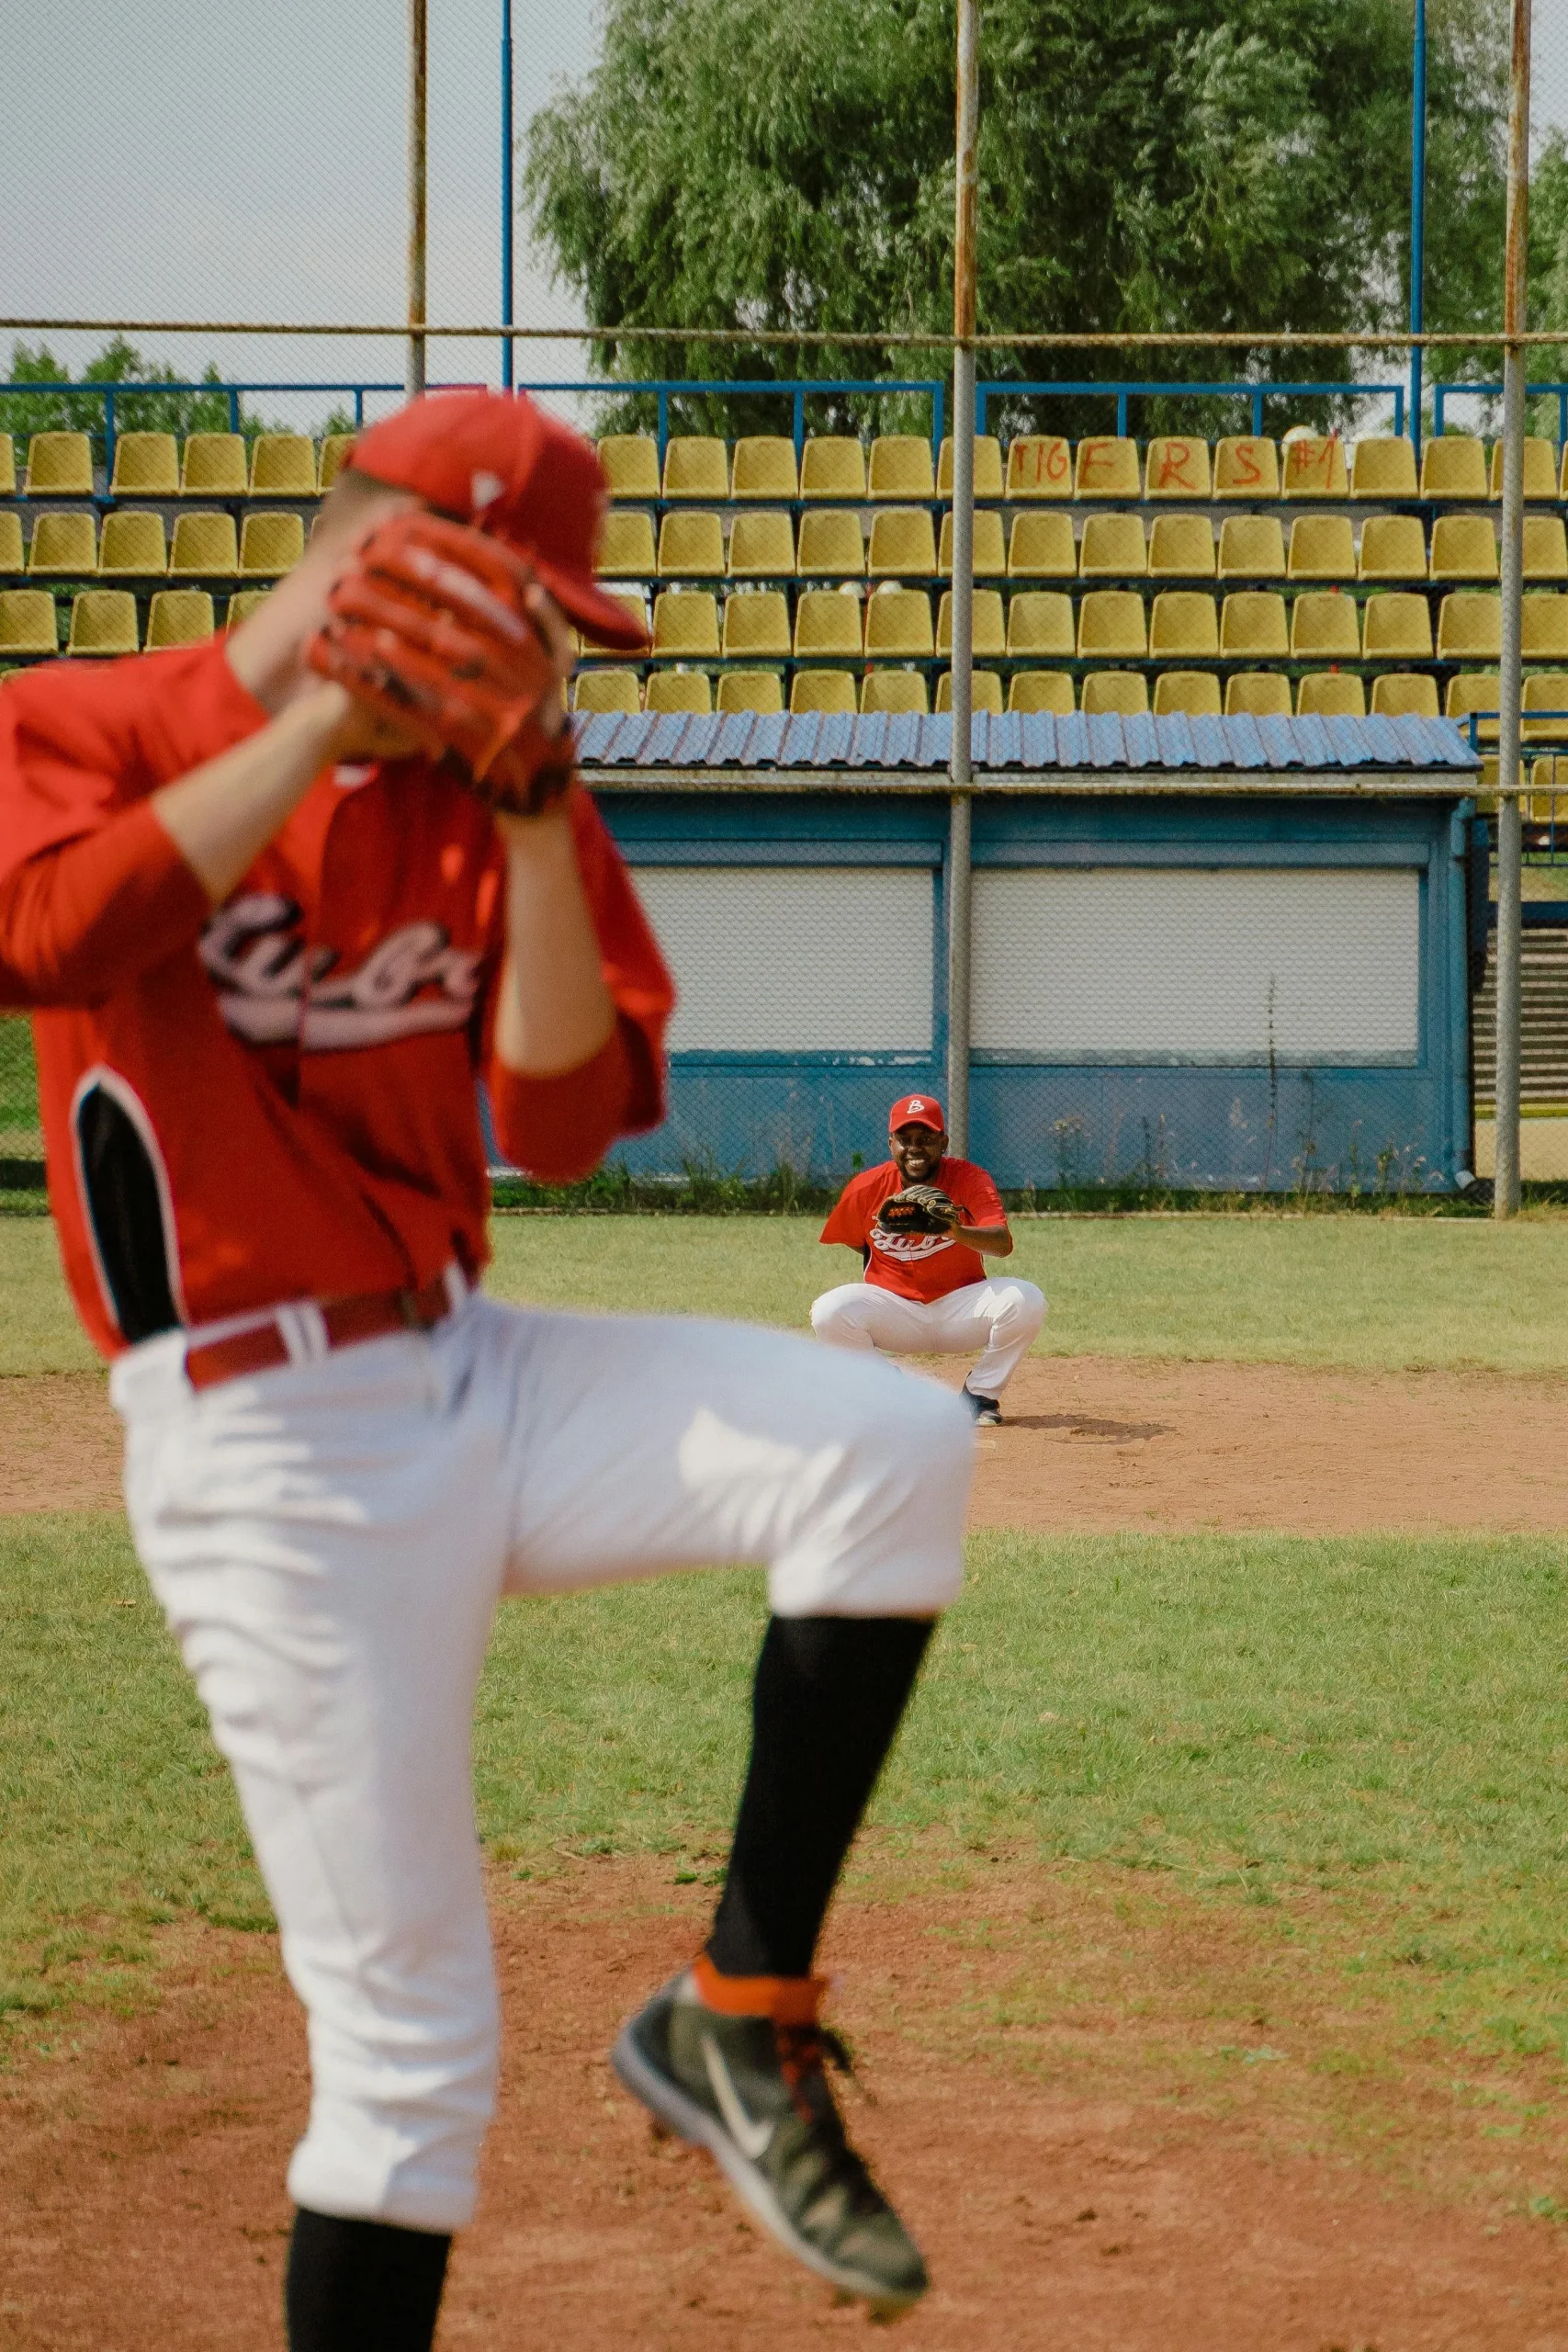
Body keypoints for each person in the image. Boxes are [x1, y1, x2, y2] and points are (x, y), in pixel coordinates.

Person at [0, 390, 975, 2346]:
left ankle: (735, 2015)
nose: (545, 654)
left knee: (885, 1440)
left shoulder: (494, 791)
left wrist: (530, 811)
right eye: (528, 602)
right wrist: (313, 731)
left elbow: (555, 1110)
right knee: (412, 2057)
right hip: (264, 1445)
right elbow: (44, 931)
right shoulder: (96, 721)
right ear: (397, 548)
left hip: (472, 1363)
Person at [812, 1093, 1046, 1425]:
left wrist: (954, 1231)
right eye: (905, 1139)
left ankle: (978, 1398)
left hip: (960, 1308)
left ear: (944, 1142)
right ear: (891, 1143)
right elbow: (855, 1241)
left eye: (926, 1139)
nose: (915, 1148)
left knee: (1026, 1299)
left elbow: (1001, 1243)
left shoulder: (969, 1178)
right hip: (895, 1311)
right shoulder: (866, 1188)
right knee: (828, 1311)